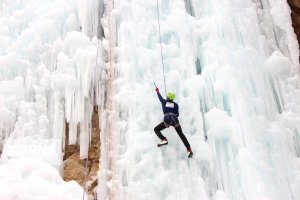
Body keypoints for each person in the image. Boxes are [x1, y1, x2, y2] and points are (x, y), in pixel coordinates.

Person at [154, 86, 193, 158]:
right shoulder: (175, 105)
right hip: (175, 120)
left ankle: (164, 139)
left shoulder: (164, 102)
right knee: (181, 134)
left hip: (167, 119)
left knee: (156, 129)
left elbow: (160, 97)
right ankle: (189, 149)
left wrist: (157, 91)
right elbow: (177, 114)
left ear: (168, 97)